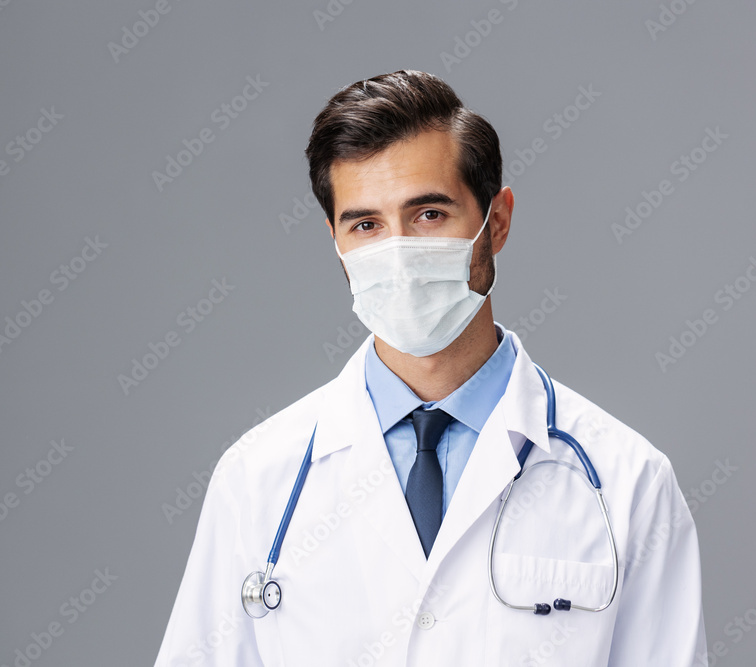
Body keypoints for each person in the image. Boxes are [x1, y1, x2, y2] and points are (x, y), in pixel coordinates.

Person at [155, 69, 706, 666]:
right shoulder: (258, 479)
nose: (398, 253)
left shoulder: (628, 483)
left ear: (496, 221)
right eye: (366, 225)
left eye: (428, 215)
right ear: (335, 241)